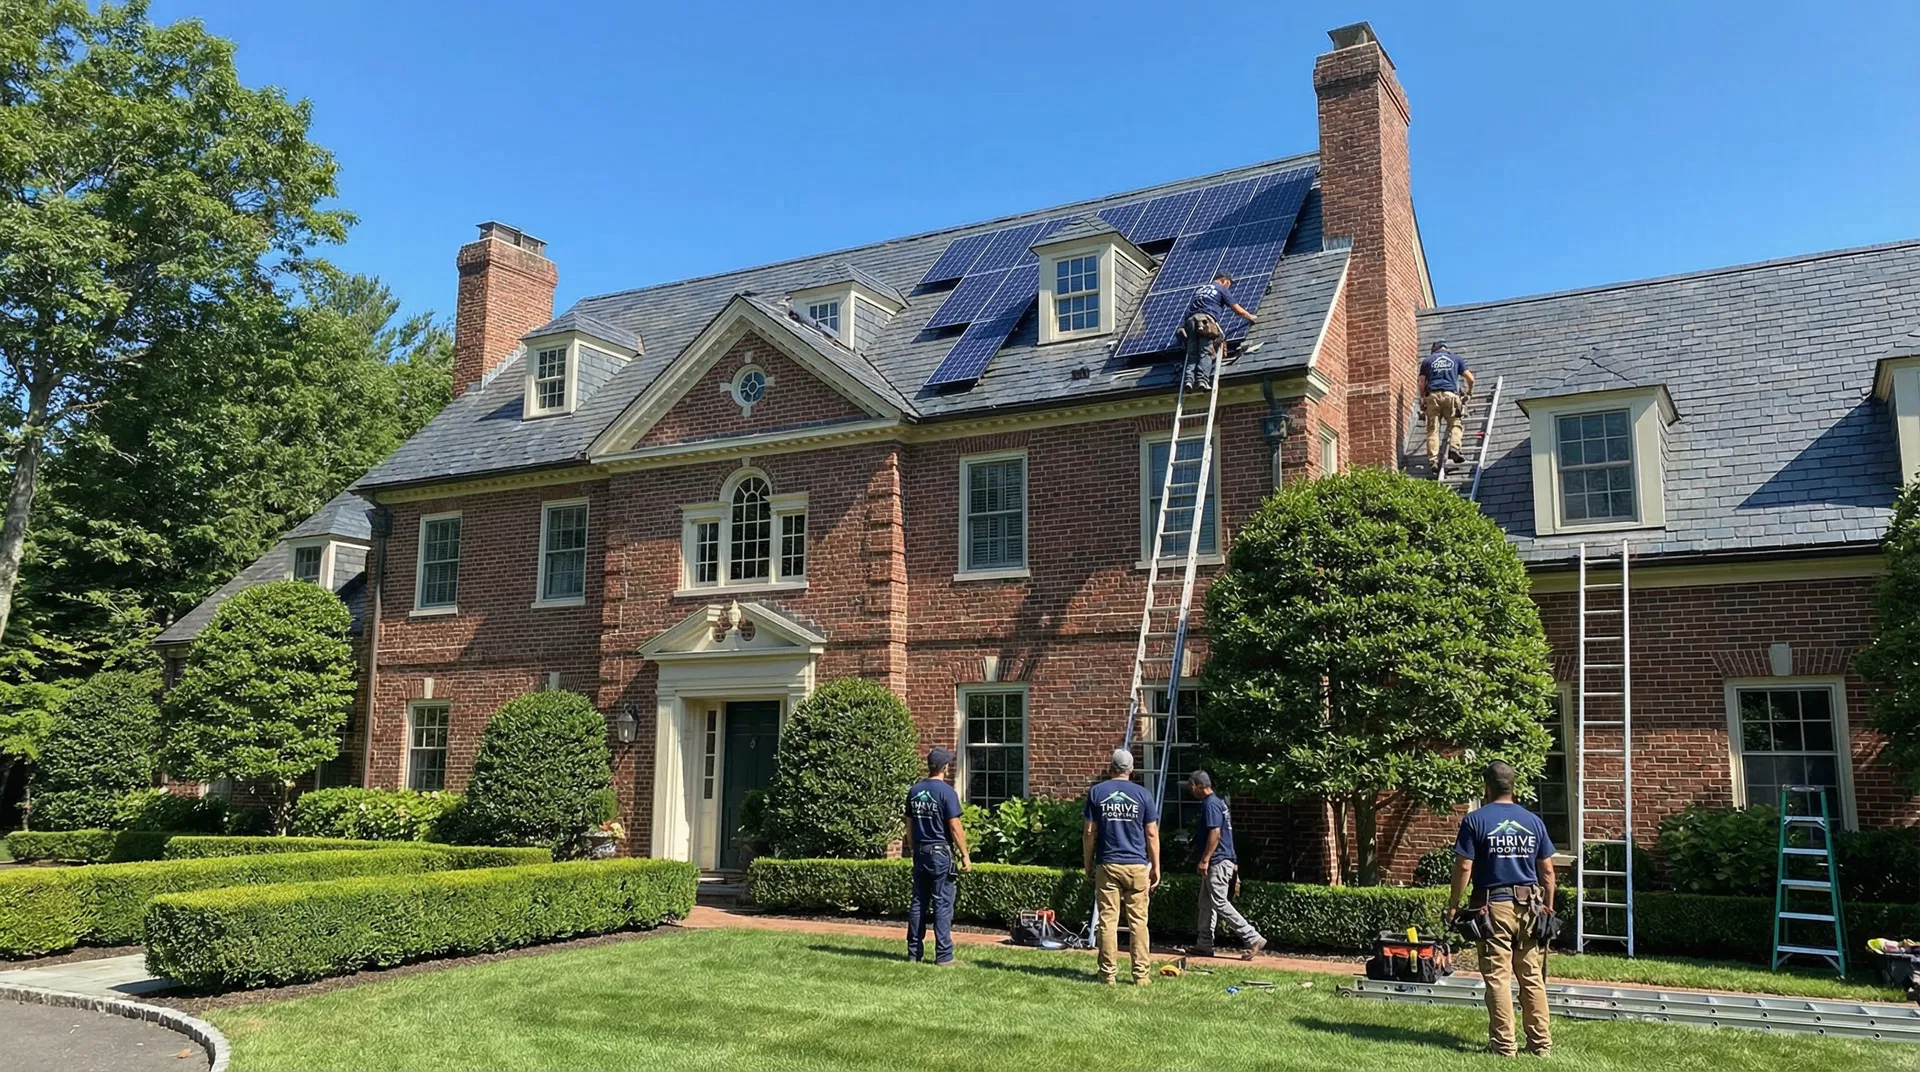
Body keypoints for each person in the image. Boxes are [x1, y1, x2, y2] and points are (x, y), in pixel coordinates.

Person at [1446, 760, 1557, 1058]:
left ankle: (1505, 1046)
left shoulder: (1476, 820)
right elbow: (1547, 872)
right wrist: (1547, 909)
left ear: (1486, 787)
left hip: (1493, 906)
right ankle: (1540, 1046)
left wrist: (1454, 905)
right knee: (1531, 976)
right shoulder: (1533, 821)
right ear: (1514, 786)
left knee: (1498, 976)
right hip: (1531, 906)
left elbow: (1464, 865)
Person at [1082, 748, 1161, 985]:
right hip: (1137, 865)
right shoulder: (1143, 794)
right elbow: (1152, 833)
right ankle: (1141, 975)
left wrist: (1088, 864)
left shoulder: (1097, 792)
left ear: (1110, 768)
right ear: (1131, 770)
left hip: (1108, 864)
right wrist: (1156, 866)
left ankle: (1108, 974)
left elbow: (1089, 832)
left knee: (1108, 920)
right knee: (1139, 922)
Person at [1186, 771, 1267, 959]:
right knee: (1205, 904)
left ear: (1197, 785)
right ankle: (1204, 944)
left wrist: (1205, 860)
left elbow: (1215, 834)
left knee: (1220, 903)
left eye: (1190, 786)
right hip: (1222, 860)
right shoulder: (1218, 803)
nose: (1190, 790)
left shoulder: (1210, 805)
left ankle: (1252, 937)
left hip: (1217, 861)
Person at [904, 748, 971, 965]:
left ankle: (914, 953)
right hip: (940, 852)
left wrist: (914, 848)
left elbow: (910, 824)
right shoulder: (946, 792)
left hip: (921, 852)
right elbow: (954, 826)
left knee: (918, 903)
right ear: (944, 768)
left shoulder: (915, 791)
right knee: (942, 903)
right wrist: (965, 855)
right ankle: (944, 956)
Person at [1179, 273, 1259, 392]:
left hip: (1190, 322)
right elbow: (1236, 309)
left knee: (1192, 353)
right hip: (1205, 321)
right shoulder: (1221, 289)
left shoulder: (1200, 289)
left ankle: (1189, 381)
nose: (1228, 287)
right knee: (1205, 351)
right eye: (1229, 285)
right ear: (1224, 281)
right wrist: (1250, 317)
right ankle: (1202, 380)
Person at [1420, 340, 1476, 471]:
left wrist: (1423, 399)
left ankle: (1433, 460)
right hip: (1450, 396)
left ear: (1434, 348)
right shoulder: (1456, 359)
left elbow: (1422, 382)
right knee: (1455, 424)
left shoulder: (1427, 361)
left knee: (1432, 430)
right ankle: (1454, 448)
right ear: (1446, 347)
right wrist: (1469, 392)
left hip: (1432, 397)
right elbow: (1470, 378)